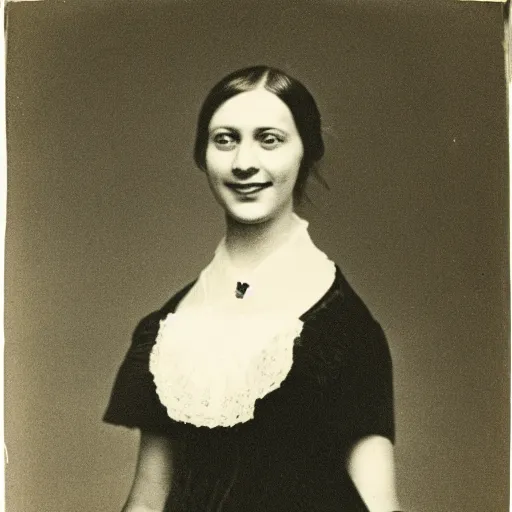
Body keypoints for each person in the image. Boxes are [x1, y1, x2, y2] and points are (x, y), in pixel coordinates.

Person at [104, 65, 402, 512]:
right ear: (202, 154)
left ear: (307, 151)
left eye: (269, 139)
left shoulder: (345, 329)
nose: (244, 163)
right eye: (225, 139)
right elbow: (148, 501)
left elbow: (381, 506)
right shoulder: (165, 330)